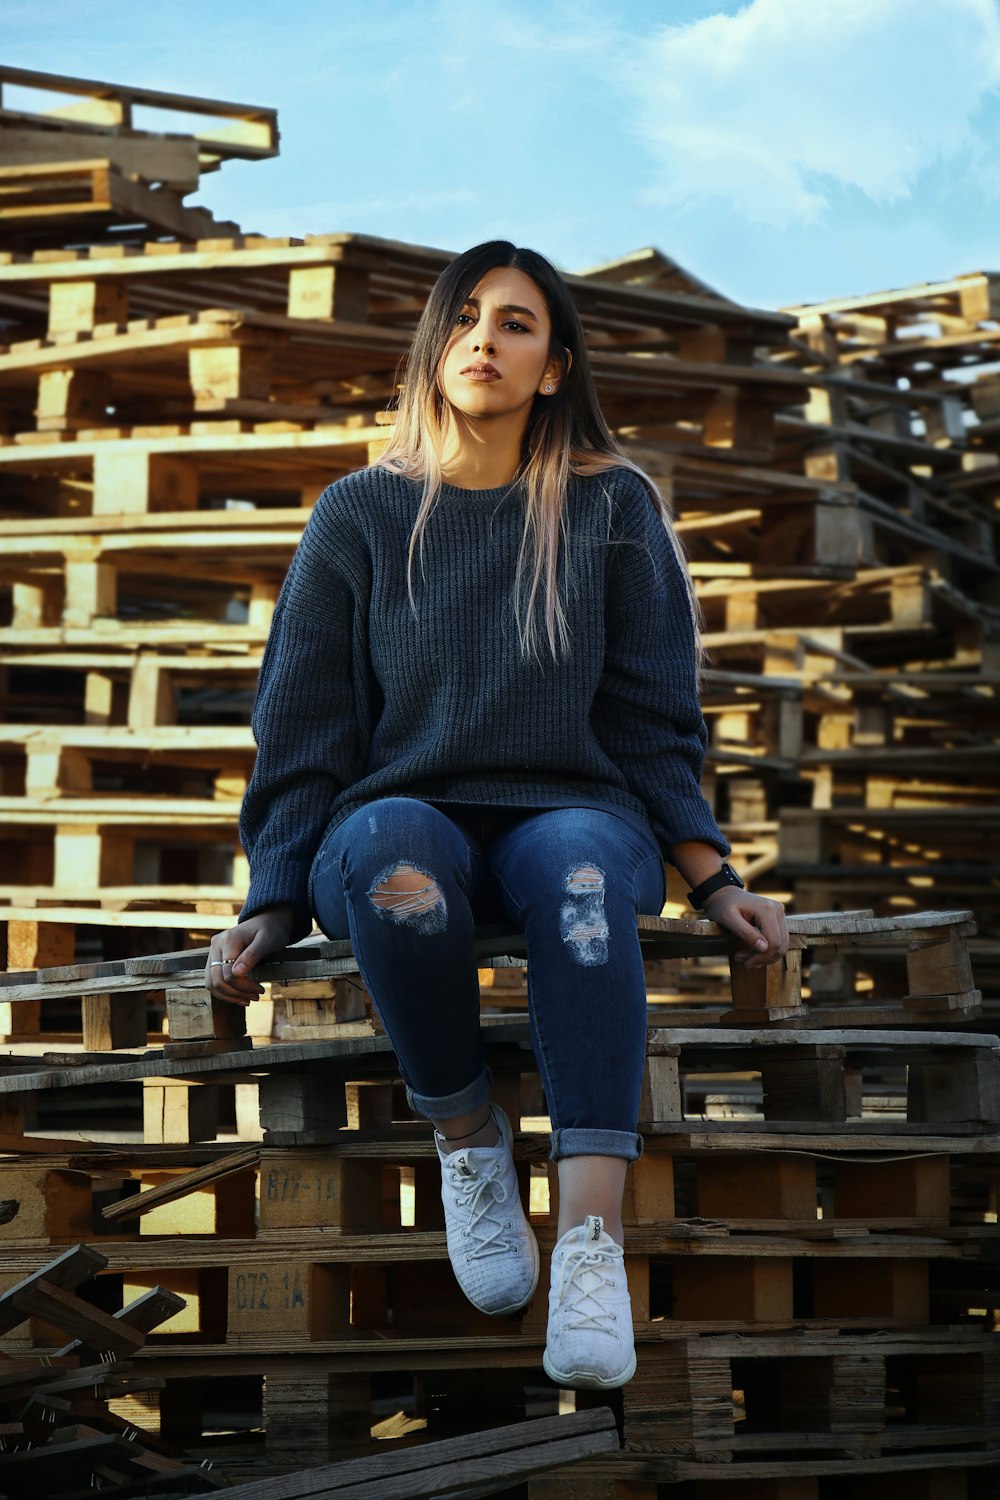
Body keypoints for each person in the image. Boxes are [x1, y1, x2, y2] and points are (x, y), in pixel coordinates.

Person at [205, 240, 788, 1390]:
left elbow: (651, 716)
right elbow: (303, 724)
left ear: (555, 367)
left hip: (577, 813)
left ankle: (588, 1244)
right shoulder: (360, 514)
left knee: (575, 870)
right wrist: (273, 898)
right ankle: (470, 1138)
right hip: (395, 817)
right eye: (465, 317)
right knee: (392, 855)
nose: (485, 338)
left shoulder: (612, 509)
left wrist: (714, 877)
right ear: (434, 349)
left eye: (517, 322)